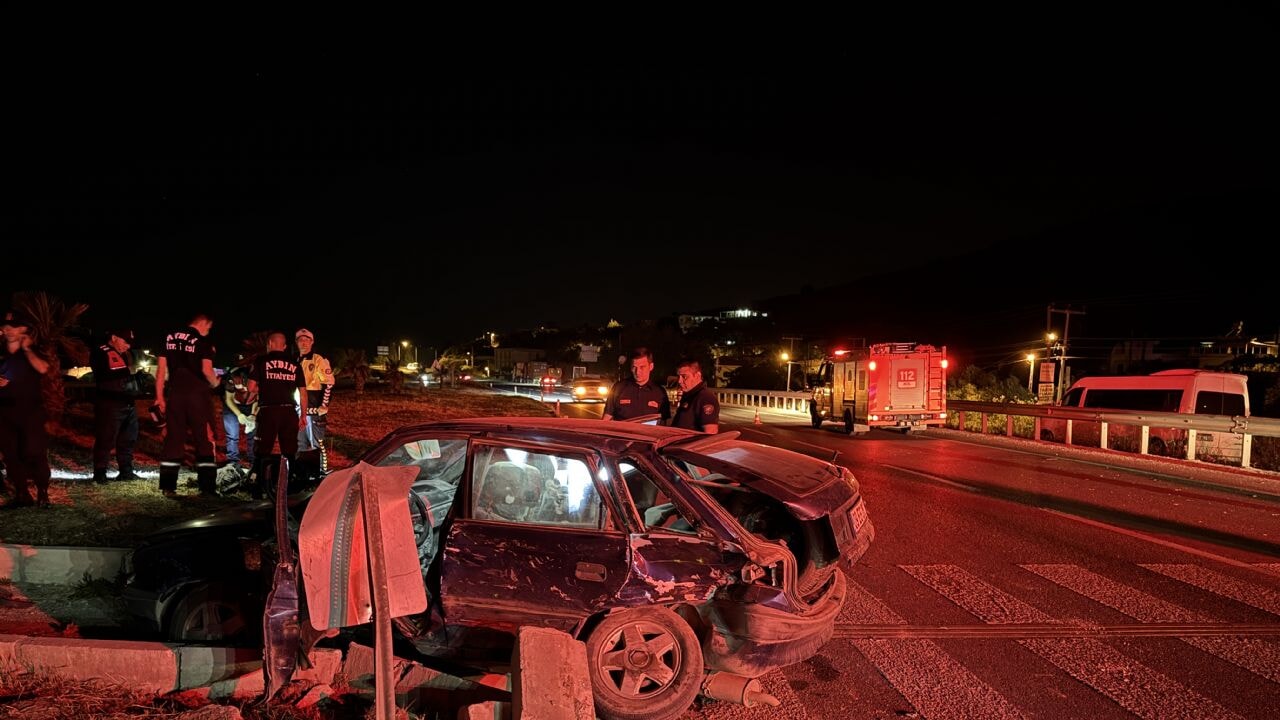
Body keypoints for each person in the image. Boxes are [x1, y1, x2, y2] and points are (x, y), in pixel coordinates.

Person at [154, 313, 220, 497]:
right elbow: (207, 371)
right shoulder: (203, 342)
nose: (208, 331)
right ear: (203, 323)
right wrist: (216, 383)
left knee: (173, 439)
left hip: (175, 394)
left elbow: (161, 371)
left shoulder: (169, 338)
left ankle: (168, 487)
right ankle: (207, 488)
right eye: (209, 327)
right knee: (204, 440)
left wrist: (159, 397)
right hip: (197, 395)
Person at [0, 309, 53, 508]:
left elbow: (43, 369)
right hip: (5, 411)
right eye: (5, 327)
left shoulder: (34, 349)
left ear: (23, 329)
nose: (9, 330)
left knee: (34, 451)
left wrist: (28, 350)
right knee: (11, 453)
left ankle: (43, 492)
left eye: (14, 327)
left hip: (31, 411)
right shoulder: (1, 351)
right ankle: (21, 493)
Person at [248, 331, 308, 499]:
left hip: (268, 411)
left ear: (269, 344)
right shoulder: (295, 364)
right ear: (284, 346)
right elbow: (303, 393)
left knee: (263, 449)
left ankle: (259, 487)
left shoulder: (261, 361)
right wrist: (303, 415)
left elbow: (251, 387)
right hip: (289, 411)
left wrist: (265, 388)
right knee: (289, 450)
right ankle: (289, 486)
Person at [89, 328, 141, 483]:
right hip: (110, 404)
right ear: (114, 337)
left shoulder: (123, 354)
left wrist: (134, 381)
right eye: (126, 342)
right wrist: (127, 380)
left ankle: (126, 471)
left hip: (127, 403)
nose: (128, 346)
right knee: (105, 439)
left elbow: (122, 377)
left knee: (128, 438)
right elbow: (104, 376)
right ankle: (100, 473)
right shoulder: (100, 352)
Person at [293, 328, 334, 485]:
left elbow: (329, 383)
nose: (303, 343)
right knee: (299, 443)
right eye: (300, 340)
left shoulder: (318, 360)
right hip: (297, 410)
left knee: (318, 443)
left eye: (306, 340)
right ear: (296, 343)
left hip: (313, 410)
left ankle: (322, 473)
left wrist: (323, 405)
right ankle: (302, 473)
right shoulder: (294, 360)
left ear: (312, 342)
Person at [602, 346, 671, 423]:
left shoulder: (660, 392)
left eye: (642, 367)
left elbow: (663, 423)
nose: (637, 372)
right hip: (623, 434)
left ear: (651, 366)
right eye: (634, 367)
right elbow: (606, 418)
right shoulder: (619, 388)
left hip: (647, 434)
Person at [220, 365, 257, 478]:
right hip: (233, 404)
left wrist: (253, 415)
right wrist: (239, 415)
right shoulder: (233, 377)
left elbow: (260, 400)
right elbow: (228, 399)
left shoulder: (260, 381)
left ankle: (253, 461)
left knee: (253, 434)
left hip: (250, 405)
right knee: (232, 433)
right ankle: (233, 462)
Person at [670, 358, 720, 434]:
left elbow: (710, 432)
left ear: (697, 375)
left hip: (690, 445)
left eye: (684, 377)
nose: (679, 381)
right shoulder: (690, 395)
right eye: (678, 377)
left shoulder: (705, 397)